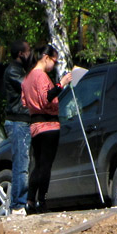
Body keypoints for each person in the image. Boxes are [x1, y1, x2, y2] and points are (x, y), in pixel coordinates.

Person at [21, 45, 71, 214]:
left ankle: (30, 200)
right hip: (49, 125)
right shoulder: (41, 76)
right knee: (46, 166)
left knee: (37, 165)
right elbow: (47, 98)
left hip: (35, 125)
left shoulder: (27, 78)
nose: (54, 66)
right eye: (54, 62)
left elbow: (24, 102)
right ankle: (41, 201)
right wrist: (61, 84)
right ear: (46, 57)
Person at [1, 40, 33, 216]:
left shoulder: (21, 70)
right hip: (17, 121)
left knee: (25, 164)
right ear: (21, 54)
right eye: (28, 51)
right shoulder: (13, 70)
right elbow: (28, 87)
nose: (31, 55)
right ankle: (17, 205)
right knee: (20, 164)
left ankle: (24, 201)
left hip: (24, 121)